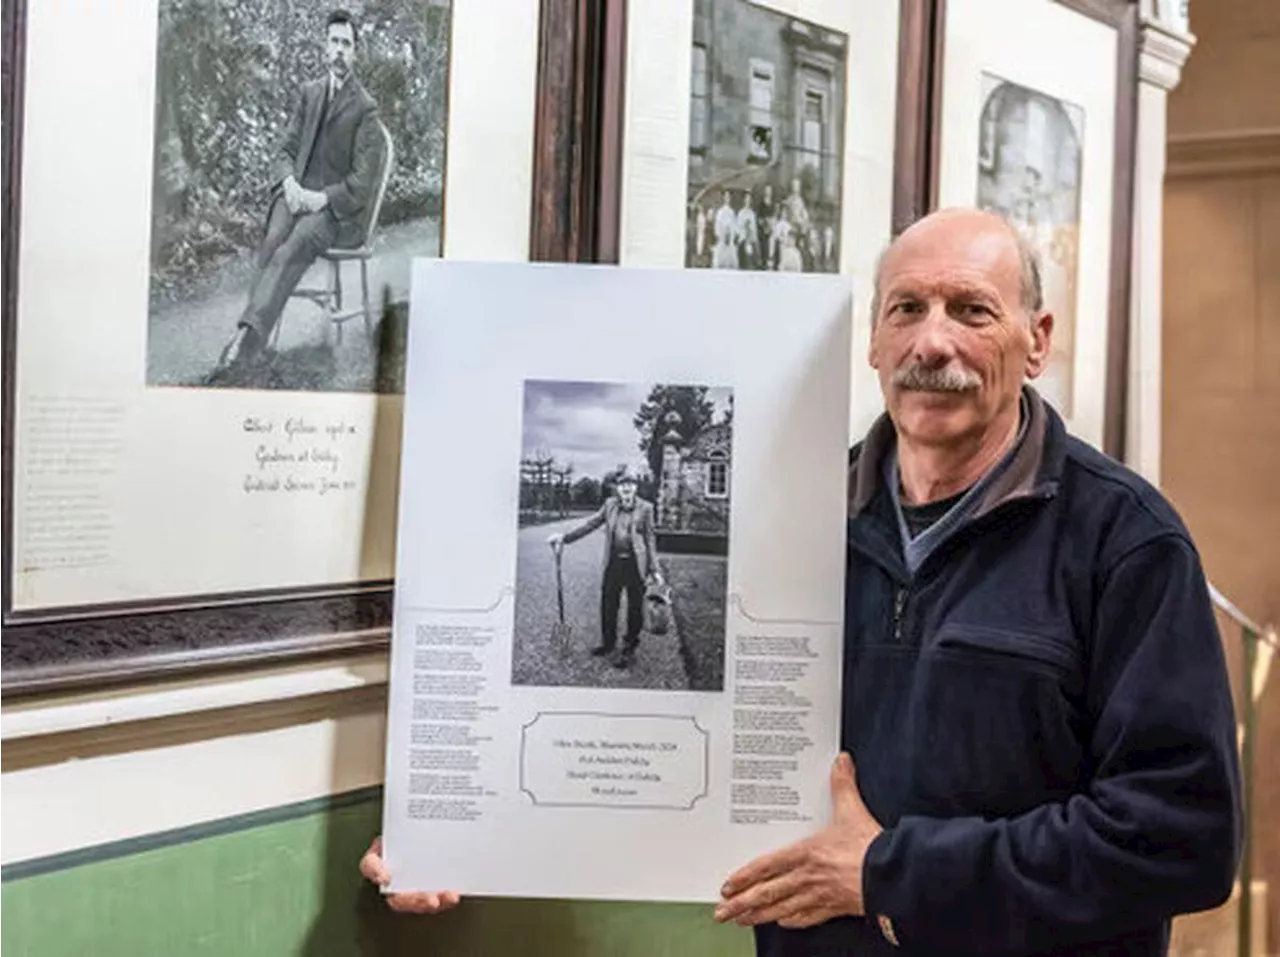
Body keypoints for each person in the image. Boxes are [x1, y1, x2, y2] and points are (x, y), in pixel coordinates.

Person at [357, 207, 1243, 955]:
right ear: (873, 339)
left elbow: (1179, 836)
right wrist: (463, 828)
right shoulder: (788, 517)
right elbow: (669, 748)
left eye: (971, 310)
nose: (933, 340)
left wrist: (888, 872)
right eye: (907, 308)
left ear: (1035, 341)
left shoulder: (1125, 542)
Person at [216, 8, 387, 374]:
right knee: (274, 237)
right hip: (297, 196)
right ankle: (252, 333)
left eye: (346, 43)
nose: (339, 50)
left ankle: (246, 342)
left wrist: (321, 198)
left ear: (356, 51)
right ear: (324, 47)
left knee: (293, 247)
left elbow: (362, 182)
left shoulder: (365, 109)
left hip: (333, 212)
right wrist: (290, 184)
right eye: (334, 42)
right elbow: (284, 150)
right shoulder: (309, 94)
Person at [546, 465, 664, 670]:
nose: (626, 488)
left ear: (635, 487)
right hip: (614, 562)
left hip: (636, 565)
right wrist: (565, 538)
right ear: (617, 488)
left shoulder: (646, 508)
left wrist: (655, 569)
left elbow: (649, 539)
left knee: (635, 608)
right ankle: (608, 643)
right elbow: (590, 524)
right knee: (608, 604)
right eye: (622, 485)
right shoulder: (609, 505)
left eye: (630, 484)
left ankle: (629, 646)